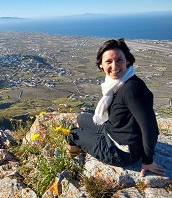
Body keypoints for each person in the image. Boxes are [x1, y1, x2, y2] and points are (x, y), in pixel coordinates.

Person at [66, 38, 165, 177]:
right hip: (112, 130)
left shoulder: (132, 89)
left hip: (122, 151)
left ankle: (72, 159)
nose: (114, 66)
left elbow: (150, 128)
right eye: (108, 61)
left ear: (128, 61)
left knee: (73, 134)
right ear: (101, 65)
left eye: (119, 60)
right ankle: (85, 144)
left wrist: (147, 160)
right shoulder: (117, 83)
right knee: (81, 118)